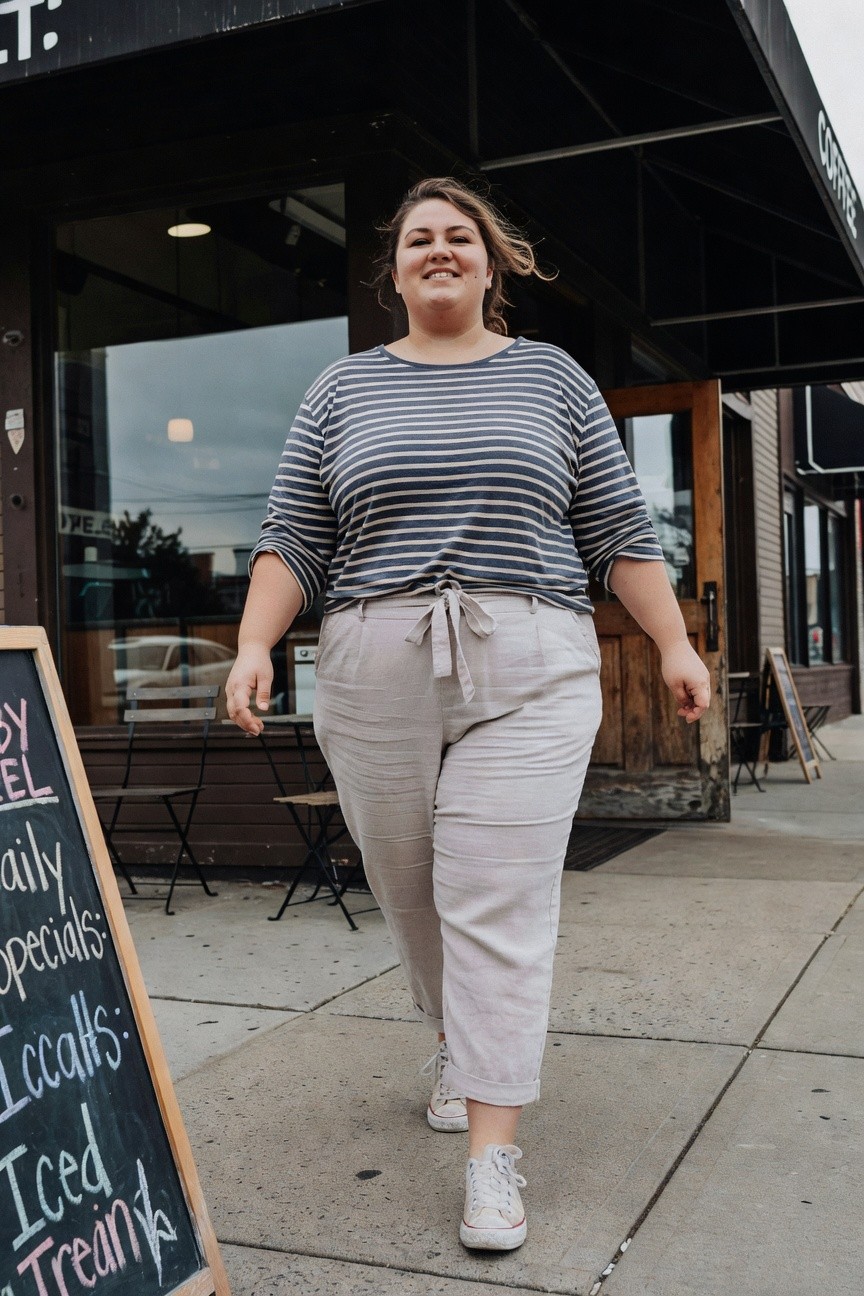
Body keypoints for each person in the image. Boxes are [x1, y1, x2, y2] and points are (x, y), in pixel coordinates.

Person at [226, 176, 711, 1252]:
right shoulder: (342, 391)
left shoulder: (553, 380)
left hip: (529, 659)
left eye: (459, 238)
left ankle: (492, 1151)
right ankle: (455, 1035)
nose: (437, 251)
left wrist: (675, 643)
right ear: (394, 269)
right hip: (371, 662)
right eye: (417, 240)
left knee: (495, 896)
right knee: (409, 888)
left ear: (493, 265)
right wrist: (257, 642)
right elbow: (293, 532)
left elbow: (618, 529)